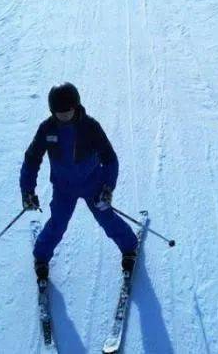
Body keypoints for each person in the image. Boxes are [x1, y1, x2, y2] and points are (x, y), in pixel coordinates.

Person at [20, 83, 139, 282]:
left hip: (93, 184)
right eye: (60, 112)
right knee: (58, 223)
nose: (65, 115)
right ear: (52, 111)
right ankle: (41, 257)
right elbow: (32, 159)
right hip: (63, 188)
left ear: (76, 106)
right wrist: (28, 191)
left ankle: (129, 247)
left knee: (106, 218)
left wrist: (108, 188)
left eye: (68, 111)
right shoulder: (47, 129)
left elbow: (110, 158)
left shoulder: (90, 127)